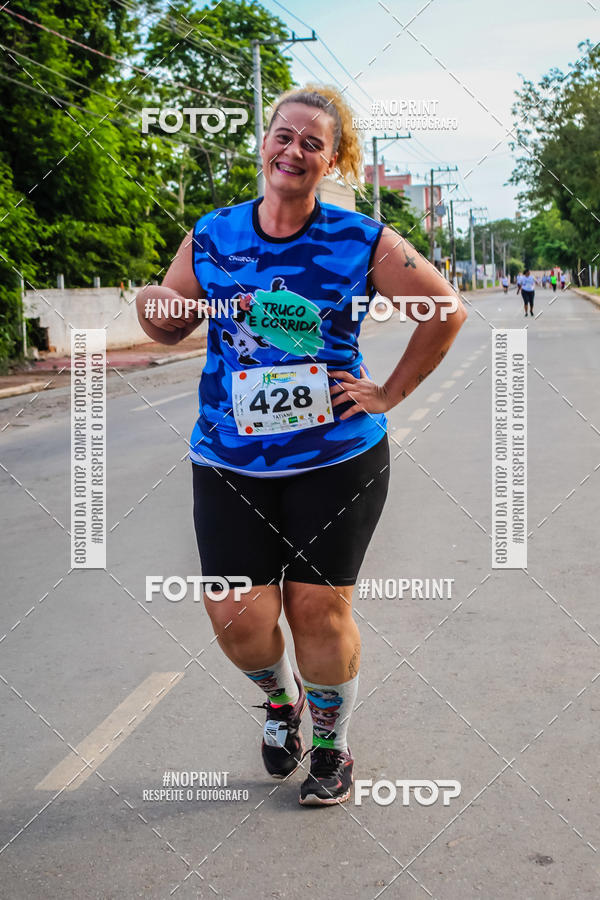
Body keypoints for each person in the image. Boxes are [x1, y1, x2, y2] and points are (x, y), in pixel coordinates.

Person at [135, 84, 467, 806]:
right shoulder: (213, 232)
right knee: (237, 616)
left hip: (337, 455)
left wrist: (390, 393)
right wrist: (152, 306)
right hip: (229, 457)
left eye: (312, 143)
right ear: (265, 143)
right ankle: (281, 705)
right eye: (284, 136)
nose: (294, 151)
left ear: (333, 159)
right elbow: (170, 319)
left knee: (317, 606)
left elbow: (444, 310)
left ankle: (330, 742)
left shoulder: (361, 240)